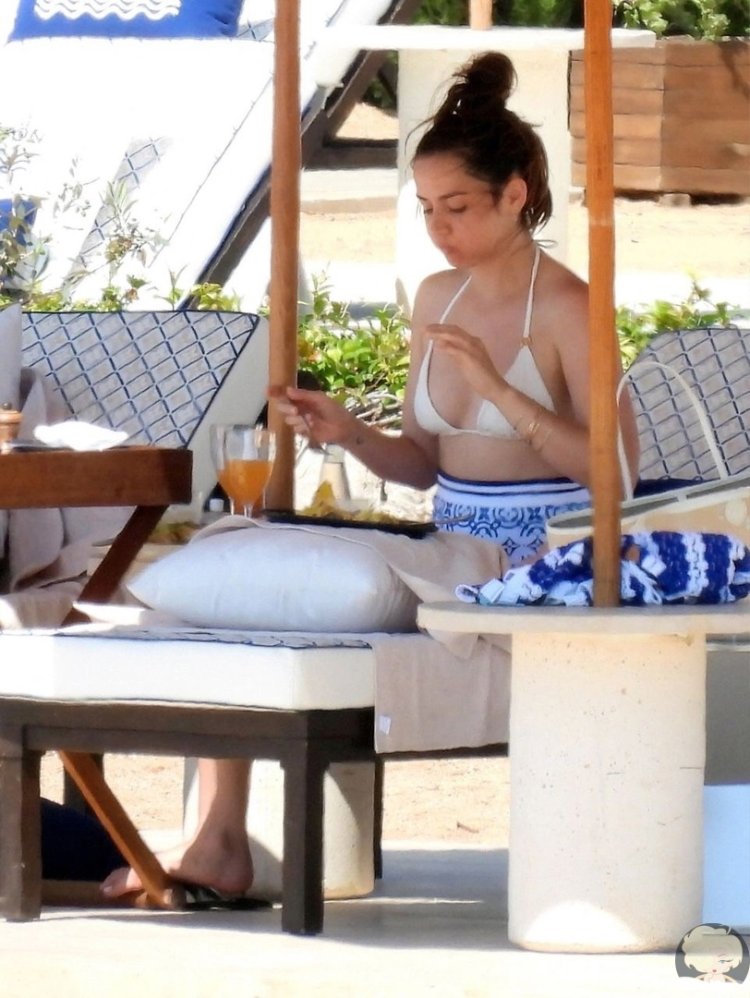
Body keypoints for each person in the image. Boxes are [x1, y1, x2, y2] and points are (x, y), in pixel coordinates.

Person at [101, 50, 639, 902]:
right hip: (449, 539)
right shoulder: (437, 297)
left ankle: (221, 842)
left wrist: (501, 389)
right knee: (251, 585)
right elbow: (423, 463)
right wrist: (348, 431)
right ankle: (218, 838)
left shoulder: (571, 306)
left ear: (515, 195)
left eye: (457, 207)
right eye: (425, 209)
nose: (439, 228)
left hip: (541, 554)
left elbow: (617, 475)